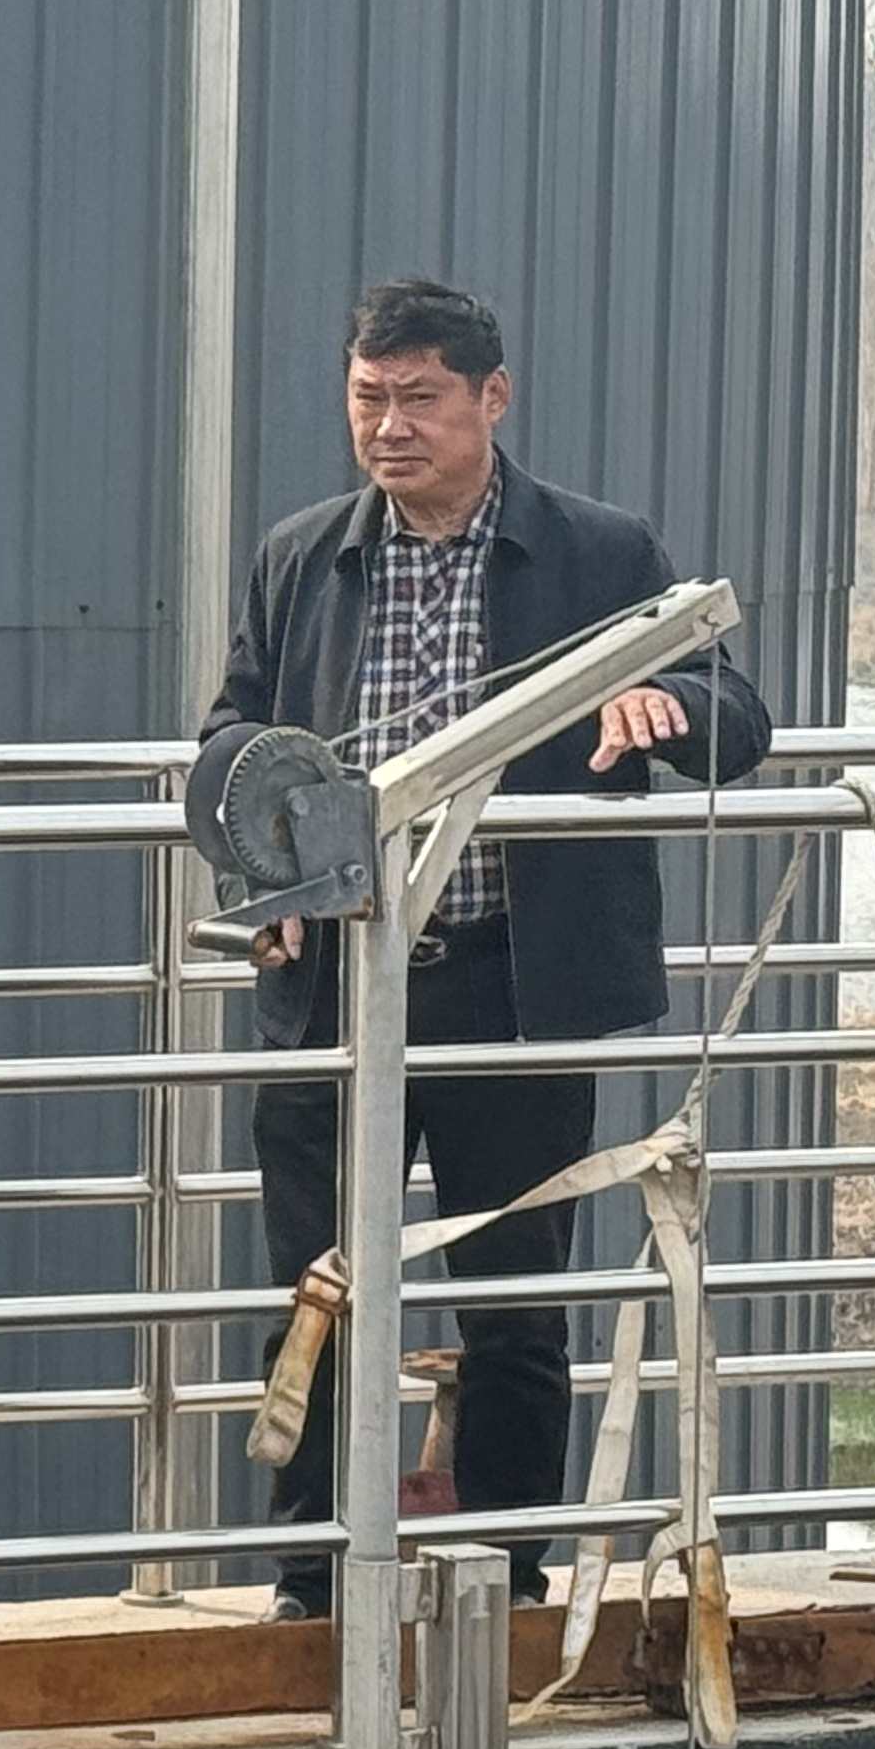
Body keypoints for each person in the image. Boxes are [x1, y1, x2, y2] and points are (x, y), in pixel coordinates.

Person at [199, 276, 773, 1621]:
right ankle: (312, 1584)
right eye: (368, 399)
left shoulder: (598, 551)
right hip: (336, 987)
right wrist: (264, 866)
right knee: (317, 1291)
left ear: (492, 399)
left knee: (514, 1305)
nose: (390, 429)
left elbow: (738, 714)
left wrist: (666, 704)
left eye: (420, 399)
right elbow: (232, 739)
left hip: (514, 984)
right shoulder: (303, 555)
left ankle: (507, 1582)